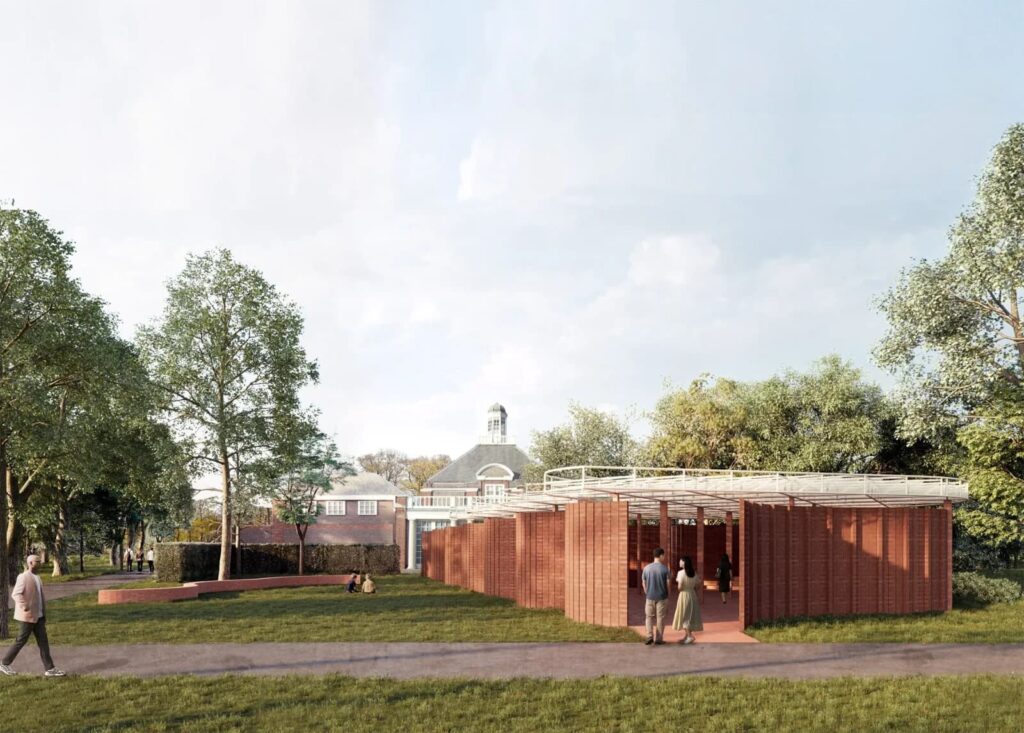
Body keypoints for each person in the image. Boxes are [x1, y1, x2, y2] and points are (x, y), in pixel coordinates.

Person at [0, 555, 66, 677]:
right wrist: (24, 606)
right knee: (20, 640)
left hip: (39, 616)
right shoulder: (23, 577)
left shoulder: (38, 577)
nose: (40, 563)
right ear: (30, 563)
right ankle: (4, 663)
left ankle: (50, 668)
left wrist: (43, 612)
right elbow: (16, 594)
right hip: (28, 616)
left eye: (40, 561)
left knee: (43, 642)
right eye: (37, 561)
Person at [641, 547, 671, 646]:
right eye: (664, 555)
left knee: (649, 617)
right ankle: (658, 639)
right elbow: (668, 584)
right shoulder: (665, 569)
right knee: (660, 618)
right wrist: (668, 594)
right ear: (661, 555)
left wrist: (647, 592)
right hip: (662, 597)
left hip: (649, 597)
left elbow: (644, 582)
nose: (664, 557)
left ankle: (649, 636)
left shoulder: (646, 568)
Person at [673, 555, 703, 645]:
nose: (679, 562)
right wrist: (692, 588)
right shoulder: (693, 573)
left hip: (684, 595)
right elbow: (698, 584)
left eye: (681, 561)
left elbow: (680, 586)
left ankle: (690, 636)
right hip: (692, 595)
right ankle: (686, 636)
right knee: (689, 615)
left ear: (684, 562)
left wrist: (680, 589)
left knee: (684, 615)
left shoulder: (681, 573)